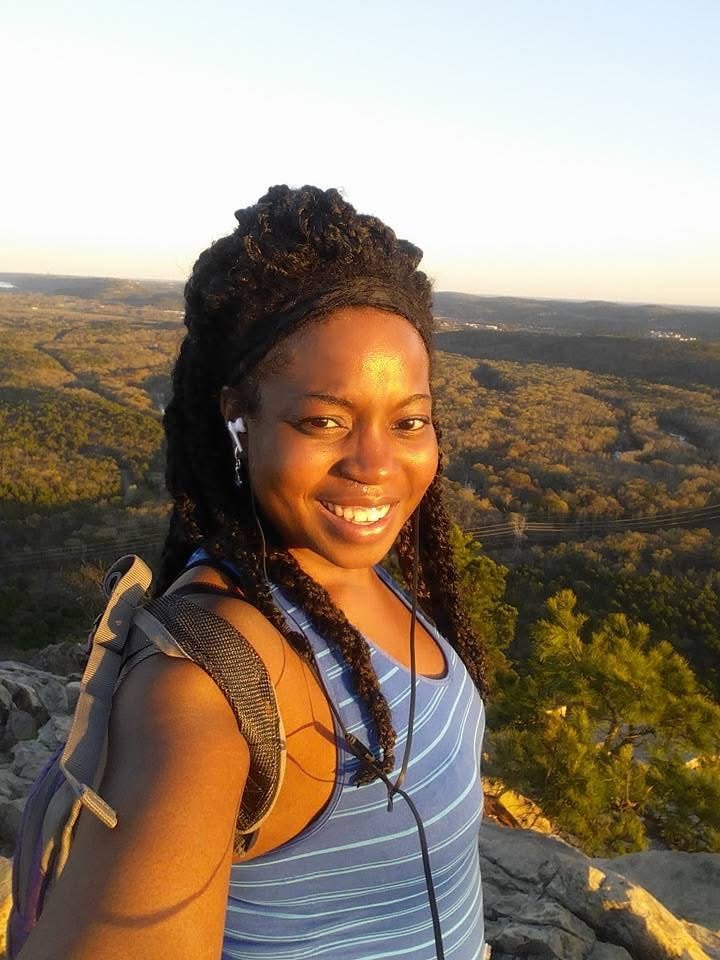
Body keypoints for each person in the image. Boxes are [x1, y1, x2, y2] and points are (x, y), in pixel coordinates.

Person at [18, 185, 489, 960]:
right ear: (239, 419)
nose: (376, 464)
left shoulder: (347, 567)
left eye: (409, 420)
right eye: (324, 421)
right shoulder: (206, 685)